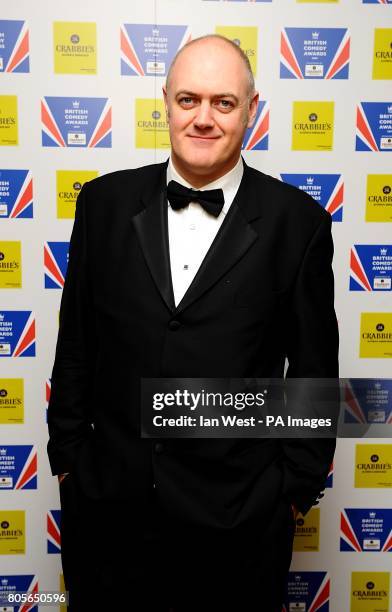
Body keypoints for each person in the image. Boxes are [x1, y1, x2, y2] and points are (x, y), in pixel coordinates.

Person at [47, 34, 339, 612]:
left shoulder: (297, 223)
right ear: (166, 102)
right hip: (109, 521)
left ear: (252, 109)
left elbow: (314, 374)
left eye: (223, 103)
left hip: (238, 529)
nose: (203, 118)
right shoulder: (102, 204)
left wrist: (290, 493)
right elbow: (76, 344)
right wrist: (70, 463)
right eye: (188, 100)